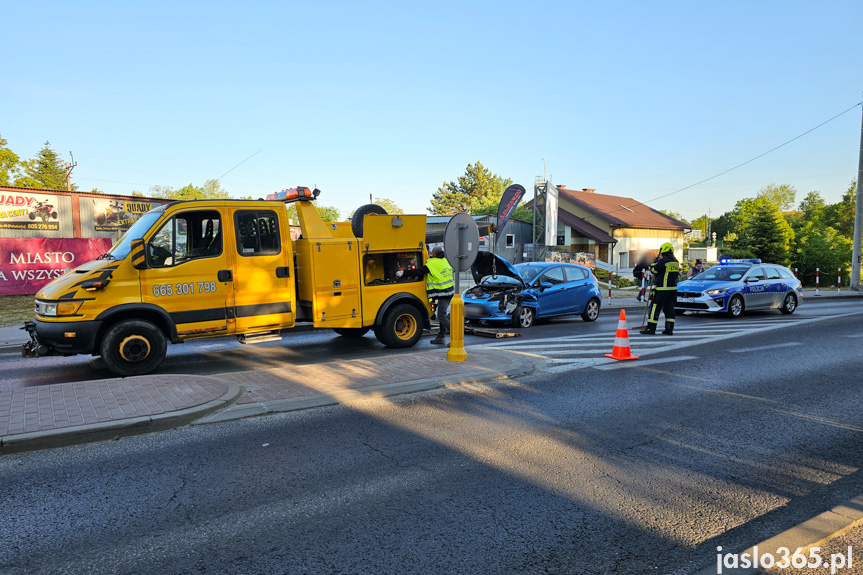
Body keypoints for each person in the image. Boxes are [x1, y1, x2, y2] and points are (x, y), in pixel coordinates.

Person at [399, 246, 454, 345]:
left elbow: (418, 271)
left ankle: (456, 337)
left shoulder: (432, 263)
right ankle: (441, 337)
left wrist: (403, 273)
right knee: (442, 314)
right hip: (449, 292)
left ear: (433, 254)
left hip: (443, 293)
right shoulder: (445, 261)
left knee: (441, 316)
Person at [640, 242, 679, 335]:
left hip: (662, 290)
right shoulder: (675, 262)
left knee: (654, 308)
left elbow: (654, 270)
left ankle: (651, 329)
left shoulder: (663, 261)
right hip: (673, 290)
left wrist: (654, 262)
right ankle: (669, 329)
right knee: (669, 309)